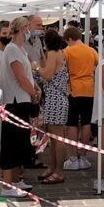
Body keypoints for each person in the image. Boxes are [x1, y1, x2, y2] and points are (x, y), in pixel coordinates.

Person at [0, 16, 40, 198]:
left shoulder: (20, 49)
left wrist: (34, 88)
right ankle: (7, 185)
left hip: (22, 101)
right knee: (11, 144)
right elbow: (20, 77)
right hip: (14, 102)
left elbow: (28, 74)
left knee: (20, 142)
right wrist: (34, 92)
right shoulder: (13, 49)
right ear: (23, 29)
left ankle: (14, 180)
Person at [35, 29, 70, 184]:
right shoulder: (60, 53)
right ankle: (54, 168)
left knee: (57, 138)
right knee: (54, 137)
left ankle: (58, 172)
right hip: (57, 98)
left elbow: (47, 75)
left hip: (55, 99)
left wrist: (35, 67)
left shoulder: (52, 54)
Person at [62, 25, 98, 170]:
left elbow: (64, 70)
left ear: (69, 39)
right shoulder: (91, 51)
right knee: (86, 123)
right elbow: (96, 66)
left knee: (71, 123)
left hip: (73, 90)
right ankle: (83, 155)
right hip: (89, 89)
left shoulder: (67, 51)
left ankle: (72, 157)